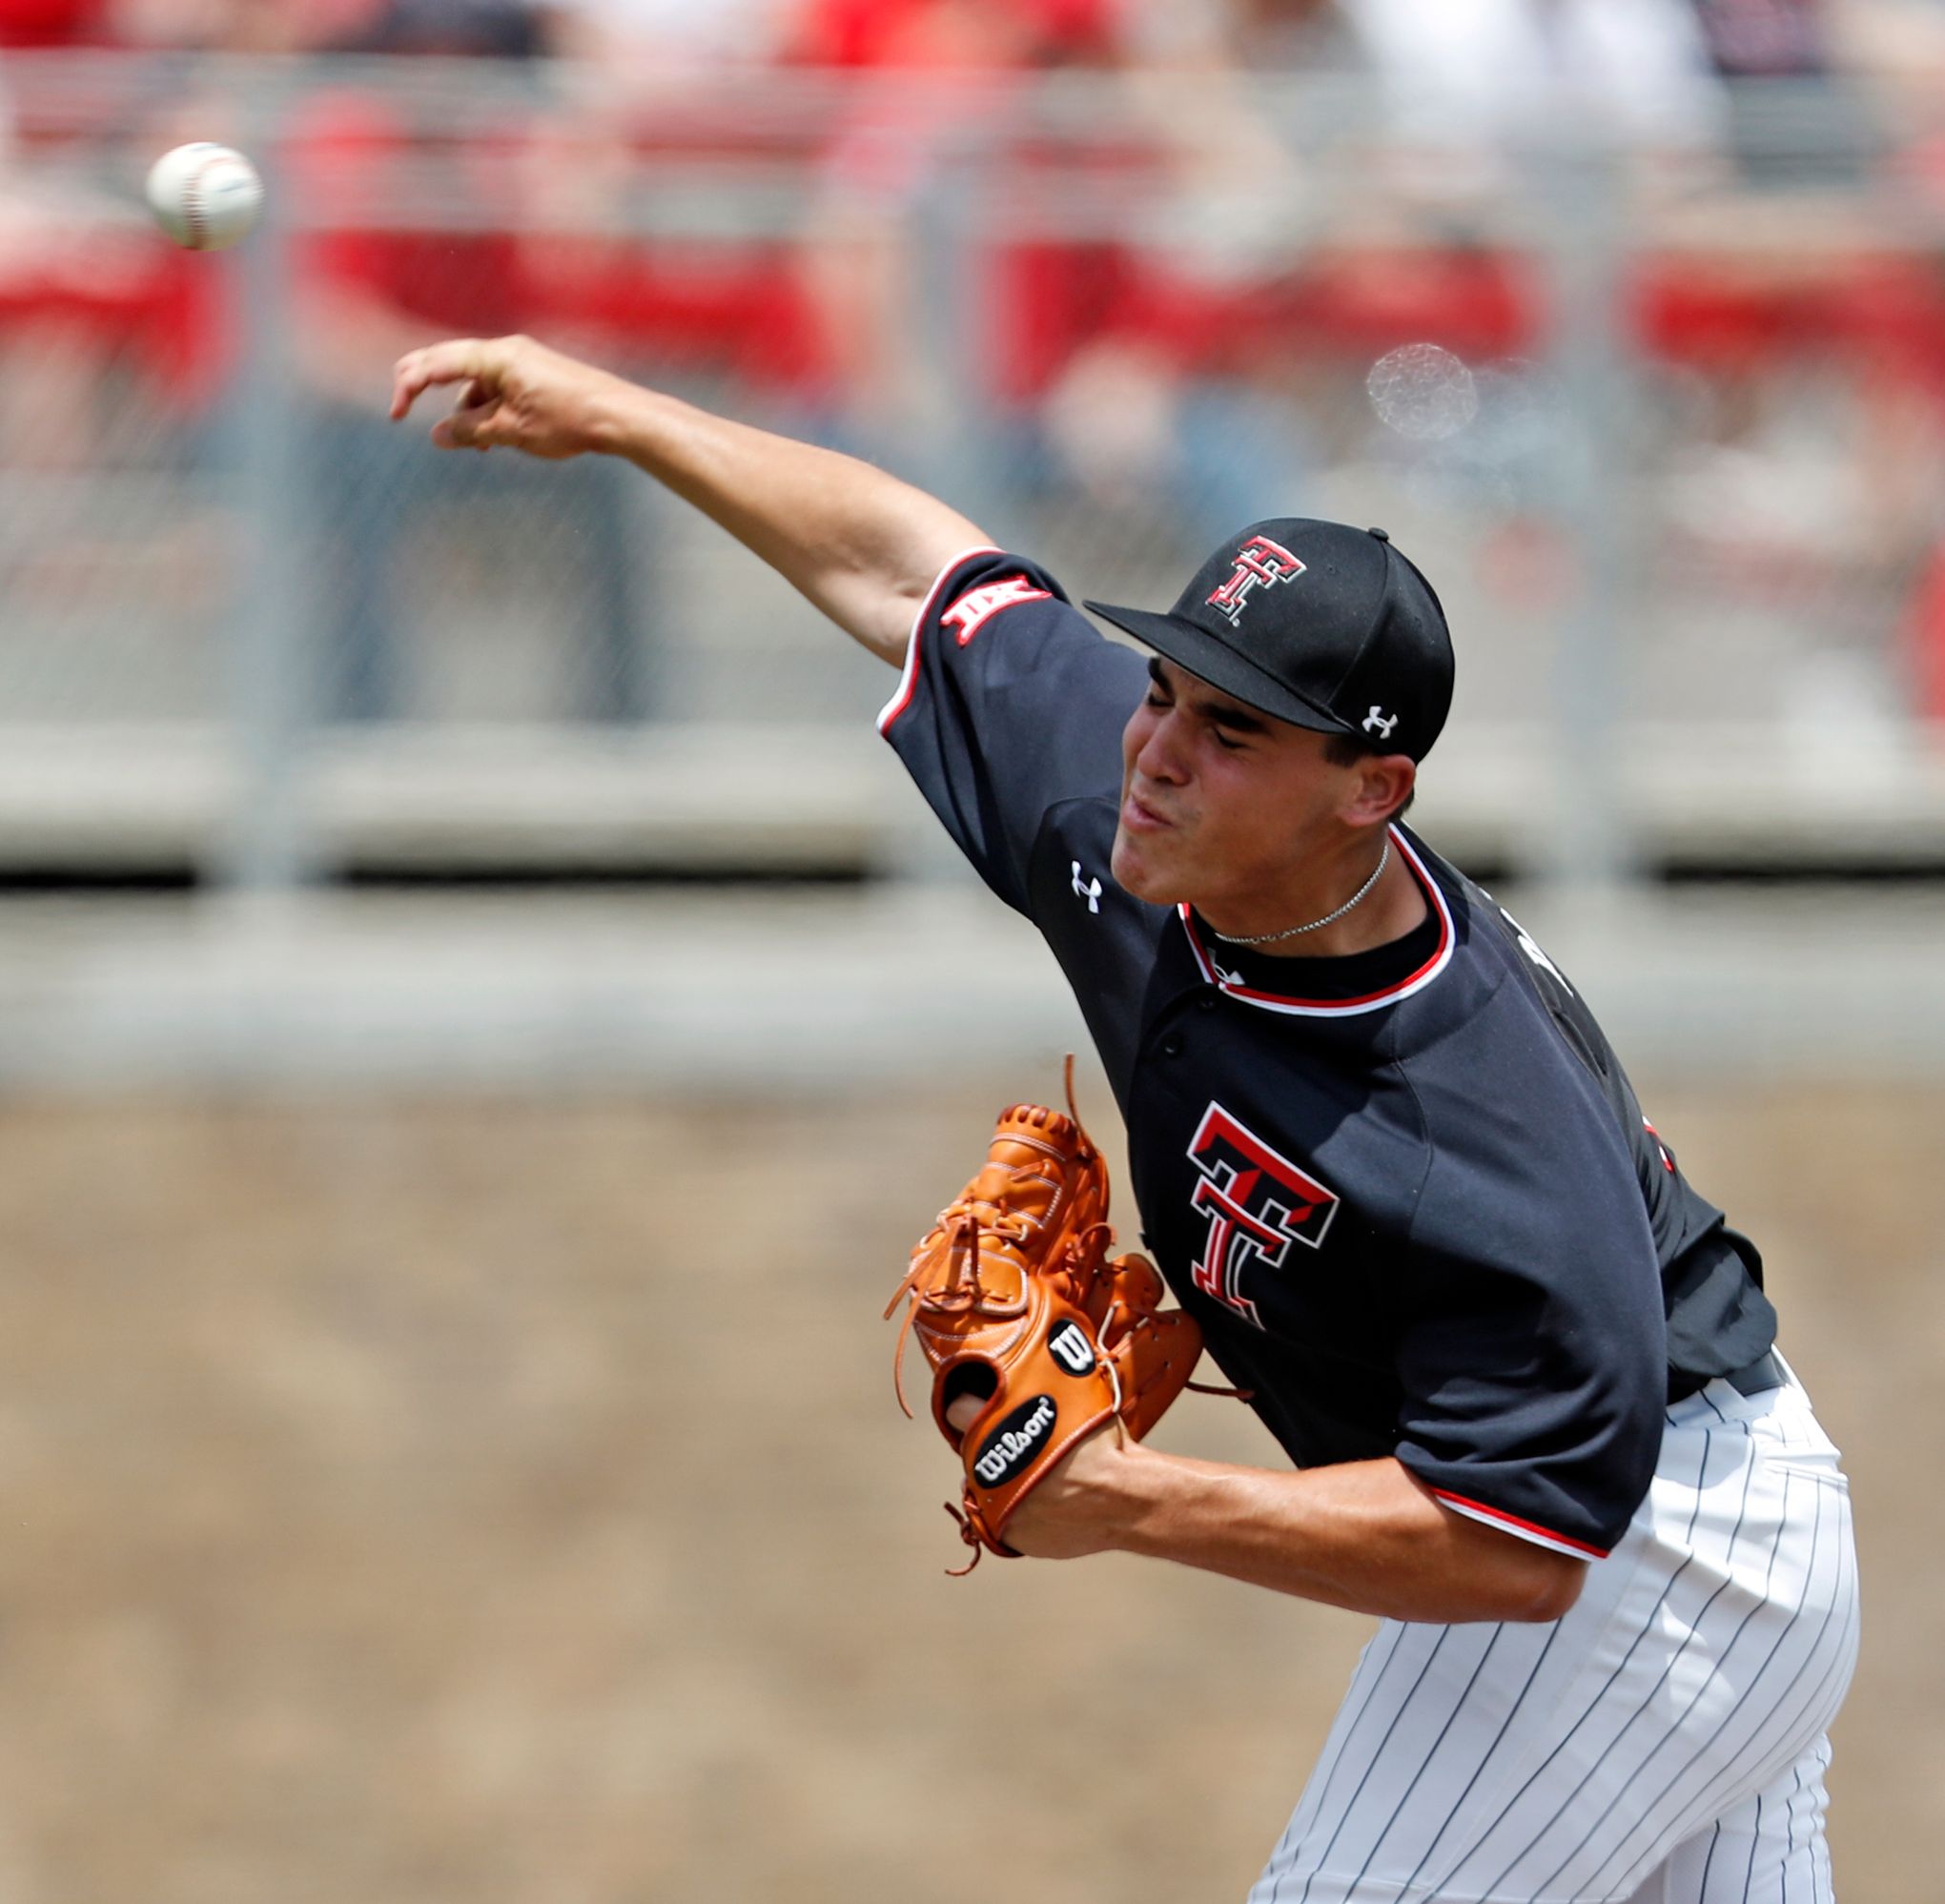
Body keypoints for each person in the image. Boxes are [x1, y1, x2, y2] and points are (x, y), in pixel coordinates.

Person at [389, 333, 1860, 1904]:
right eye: (1163, 687)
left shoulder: (1466, 1117)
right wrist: (616, 413)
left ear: (1374, 790)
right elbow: (916, 578)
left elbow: (1515, 1543)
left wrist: (1129, 1498)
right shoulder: (1135, 811)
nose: (1157, 752)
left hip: (1657, 1552)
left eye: (1234, 732)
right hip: (1663, 1533)